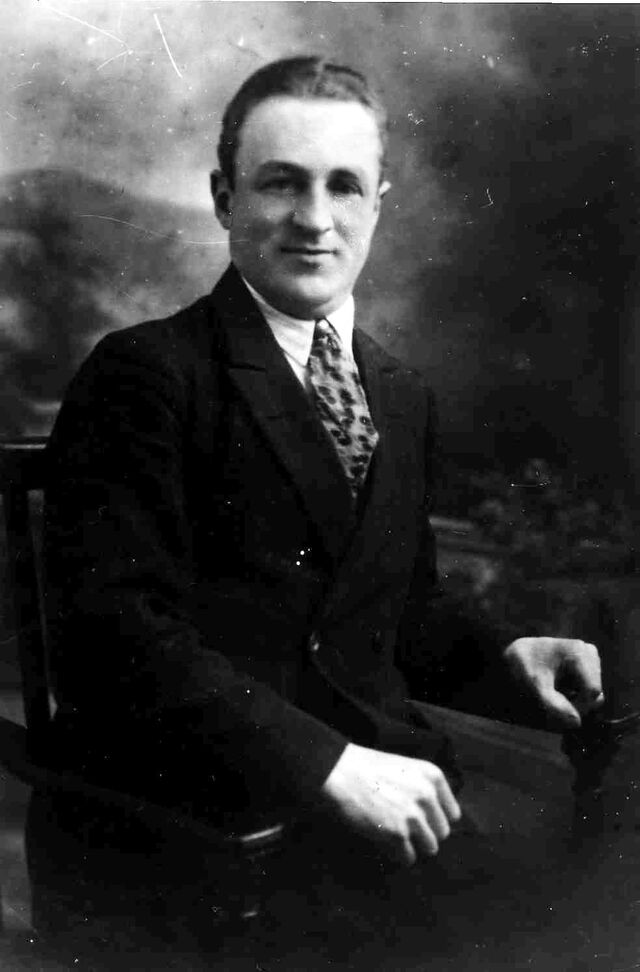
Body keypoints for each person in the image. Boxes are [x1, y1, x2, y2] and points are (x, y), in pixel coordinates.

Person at [43, 56, 603, 870]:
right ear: (224, 198)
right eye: (281, 183)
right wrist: (327, 767)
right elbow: (114, 637)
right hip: (207, 823)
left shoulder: (400, 393)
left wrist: (505, 658)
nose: (314, 219)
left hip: (387, 791)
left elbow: (396, 612)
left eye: (343, 186)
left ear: (377, 206)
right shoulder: (147, 373)